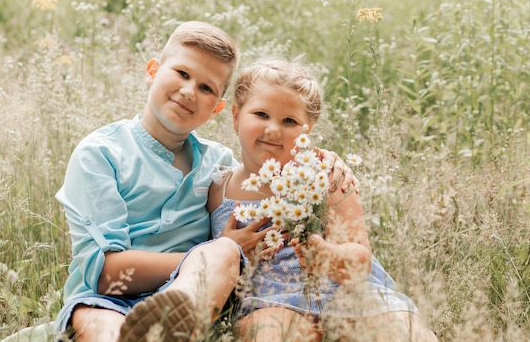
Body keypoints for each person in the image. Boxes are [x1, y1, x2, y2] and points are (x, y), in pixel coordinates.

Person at [53, 22, 356, 342]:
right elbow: (104, 275)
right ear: (152, 70)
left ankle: (176, 323)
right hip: (104, 301)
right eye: (182, 74)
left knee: (223, 251)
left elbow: (274, 174)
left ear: (218, 109)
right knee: (104, 328)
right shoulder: (101, 153)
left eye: (206, 88)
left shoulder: (220, 164)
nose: (189, 91)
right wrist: (199, 257)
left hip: (197, 296)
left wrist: (323, 160)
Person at [208, 56, 438, 342]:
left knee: (404, 332)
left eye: (289, 121)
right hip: (270, 301)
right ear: (235, 117)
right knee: (270, 333)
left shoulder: (327, 178)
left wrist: (327, 255)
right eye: (261, 115)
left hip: (347, 294)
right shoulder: (217, 189)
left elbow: (360, 258)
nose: (274, 129)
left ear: (308, 130)